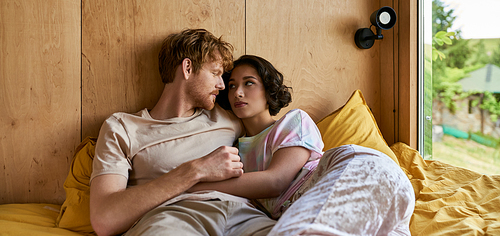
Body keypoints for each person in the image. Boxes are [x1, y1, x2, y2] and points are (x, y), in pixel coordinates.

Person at [191, 55, 416, 235]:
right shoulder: (235, 150)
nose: (237, 92)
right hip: (330, 213)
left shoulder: (293, 121)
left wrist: (190, 184)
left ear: (268, 90)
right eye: (231, 86)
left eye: (249, 83)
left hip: (357, 172)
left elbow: (276, 181)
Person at [89, 29, 276, 236]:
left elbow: (281, 133)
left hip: (244, 217)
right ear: (187, 68)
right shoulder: (123, 128)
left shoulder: (231, 118)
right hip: (173, 219)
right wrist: (197, 170)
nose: (222, 85)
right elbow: (104, 220)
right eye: (215, 73)